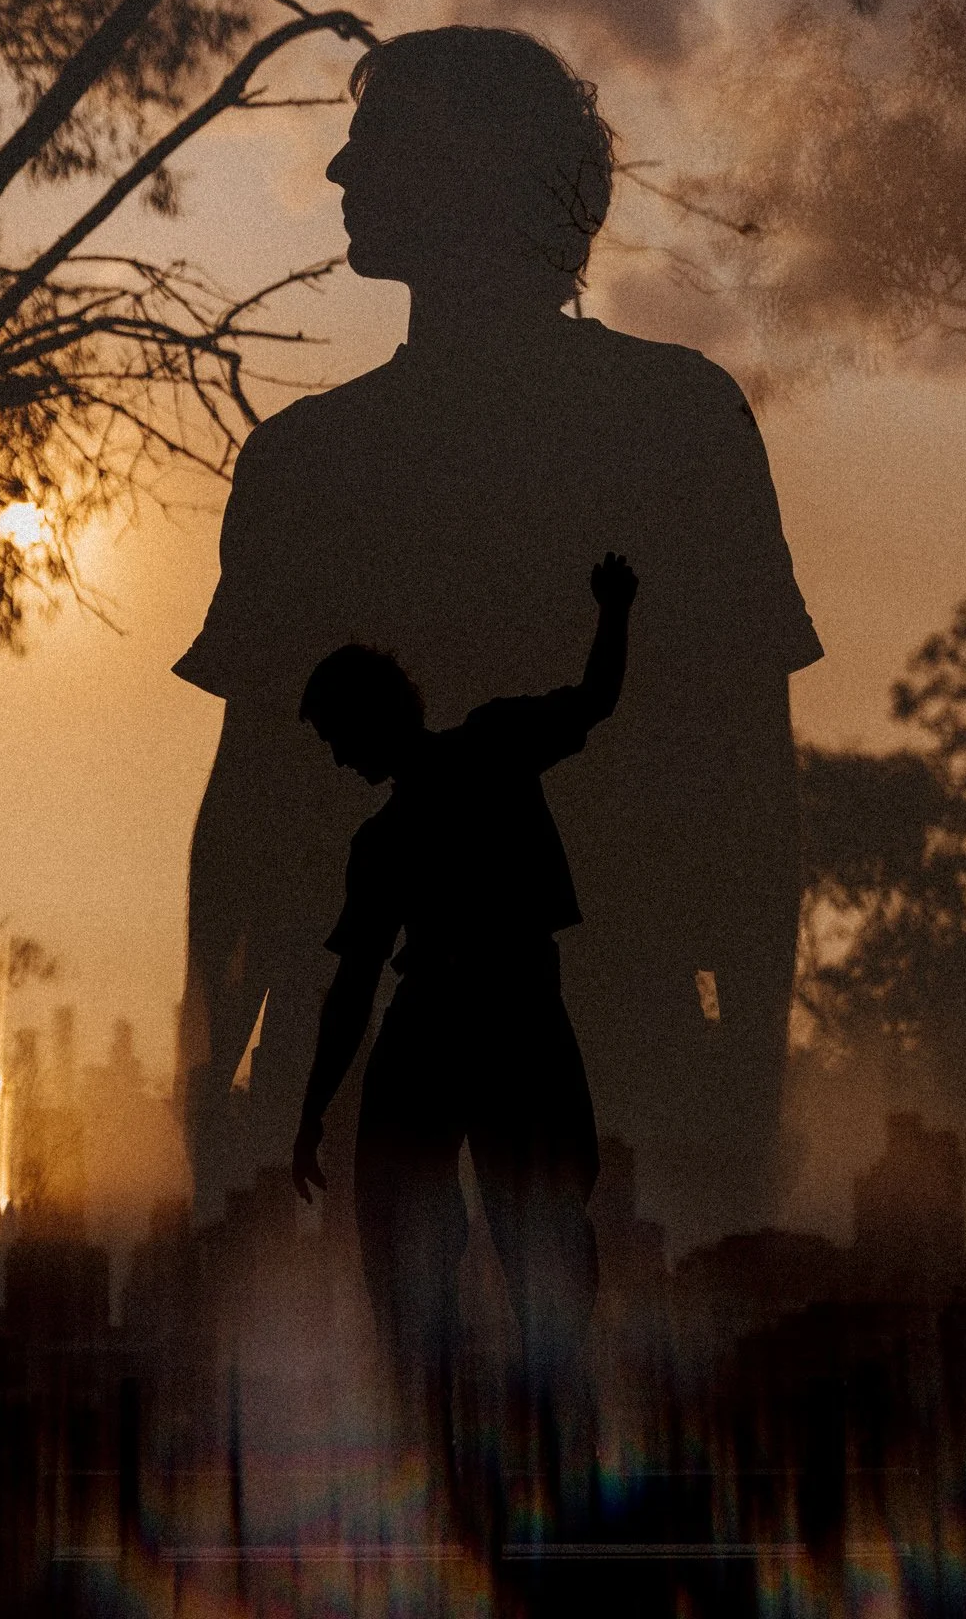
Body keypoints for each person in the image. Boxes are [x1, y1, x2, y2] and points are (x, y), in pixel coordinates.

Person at [173, 26, 822, 1248]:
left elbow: (745, 790)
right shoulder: (677, 418)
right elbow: (250, 804)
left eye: (374, 144)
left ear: (470, 171)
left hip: (550, 1048)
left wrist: (215, 1082)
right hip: (571, 1049)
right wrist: (750, 1070)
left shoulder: (318, 463)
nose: (339, 176)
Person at [290, 552, 637, 1514]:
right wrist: (313, 1108)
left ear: (374, 714)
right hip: (443, 1026)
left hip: (508, 1021)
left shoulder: (489, 746)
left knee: (536, 1236)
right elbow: (353, 984)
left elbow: (594, 698)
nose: (338, 760)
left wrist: (613, 608)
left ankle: (552, 1443)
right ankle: (441, 1443)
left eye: (338, 735)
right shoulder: (382, 842)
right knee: (408, 1231)